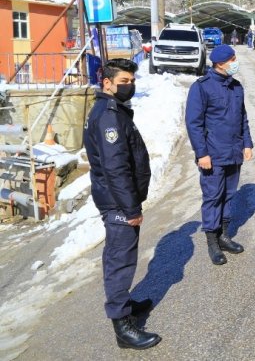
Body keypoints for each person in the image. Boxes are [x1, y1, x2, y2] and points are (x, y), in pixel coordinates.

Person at [82, 58, 161, 350]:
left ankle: (124, 303)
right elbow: (115, 168)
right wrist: (131, 209)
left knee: (120, 254)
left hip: (117, 197)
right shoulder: (109, 116)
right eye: (124, 82)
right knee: (120, 260)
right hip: (117, 201)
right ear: (107, 83)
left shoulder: (110, 109)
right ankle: (122, 327)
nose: (130, 86)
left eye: (132, 81)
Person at [185, 45, 254, 265]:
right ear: (220, 63)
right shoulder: (201, 87)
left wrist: (247, 143)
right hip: (212, 154)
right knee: (213, 196)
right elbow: (193, 124)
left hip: (234, 151)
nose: (236, 62)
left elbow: (242, 118)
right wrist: (201, 153)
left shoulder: (236, 87)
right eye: (232, 59)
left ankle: (224, 235)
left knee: (229, 194)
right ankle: (212, 241)